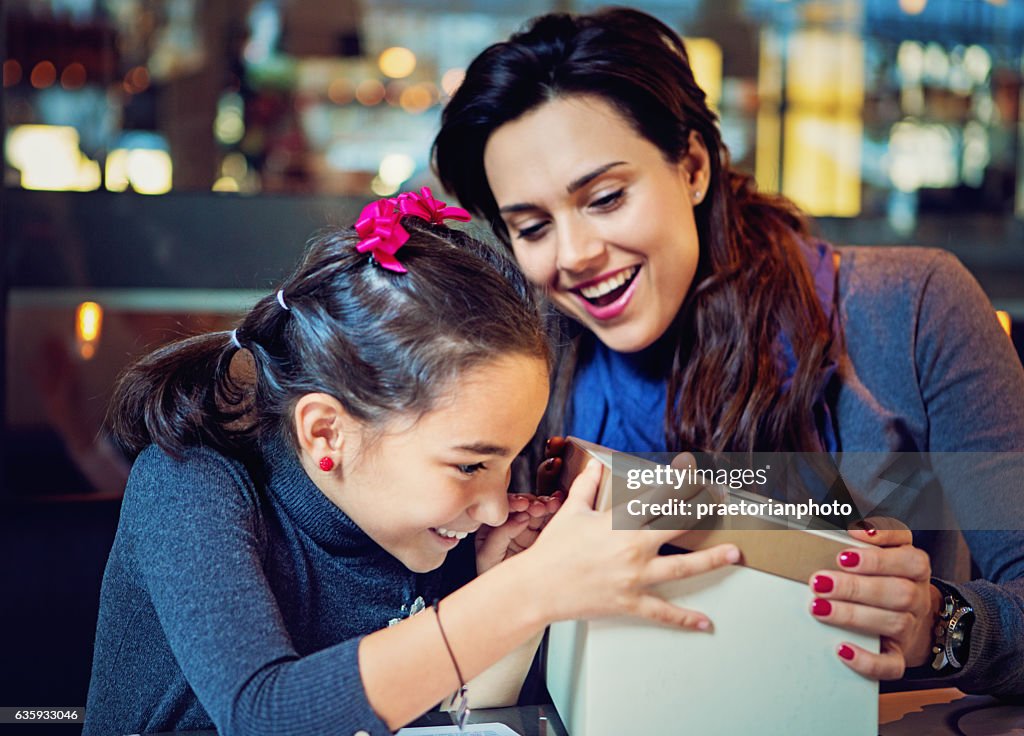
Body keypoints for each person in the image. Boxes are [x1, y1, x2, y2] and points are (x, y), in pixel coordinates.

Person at [433, 8, 1024, 696]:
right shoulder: (530, 360)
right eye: (532, 227)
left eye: (605, 197)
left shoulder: (911, 307)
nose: (574, 255)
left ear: (691, 166)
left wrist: (938, 623)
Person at [82, 190, 742, 736]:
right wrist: (529, 590)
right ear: (325, 432)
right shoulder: (194, 486)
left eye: (508, 461)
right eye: (469, 466)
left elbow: (456, 717)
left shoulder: (430, 520)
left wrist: (505, 592)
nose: (494, 503)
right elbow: (266, 715)